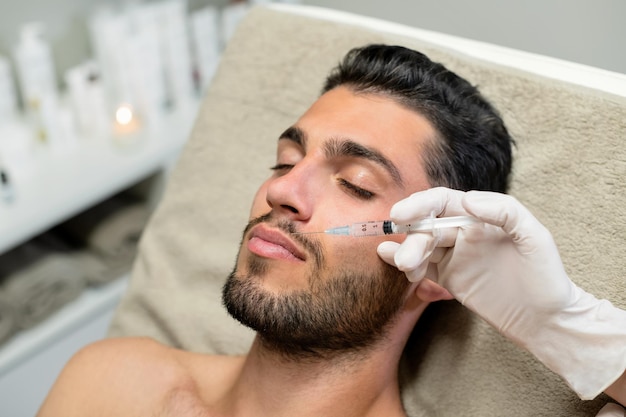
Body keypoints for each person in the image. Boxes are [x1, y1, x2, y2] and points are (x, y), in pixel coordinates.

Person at [36, 44, 624, 416]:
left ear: (437, 262)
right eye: (285, 161)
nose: (282, 192)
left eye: (358, 184)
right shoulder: (114, 380)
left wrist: (566, 327)